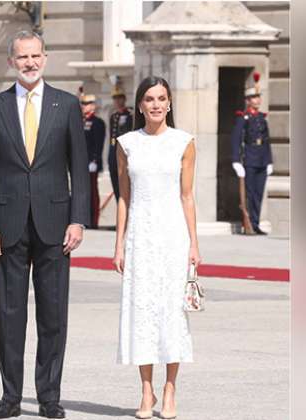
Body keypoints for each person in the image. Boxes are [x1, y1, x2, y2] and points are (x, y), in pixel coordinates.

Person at [0, 30, 90, 420]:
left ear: (45, 57)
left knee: (53, 315)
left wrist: (78, 219)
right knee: (9, 315)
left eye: (35, 56)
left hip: (56, 225)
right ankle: (10, 397)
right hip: (6, 228)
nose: (30, 63)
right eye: (22, 57)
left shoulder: (67, 105)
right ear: (12, 61)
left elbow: (79, 168)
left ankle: (49, 397)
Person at [112, 76, 201, 420]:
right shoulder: (126, 143)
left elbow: (187, 195)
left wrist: (194, 243)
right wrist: (119, 244)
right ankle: (146, 390)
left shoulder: (184, 142)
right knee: (142, 313)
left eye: (162, 98)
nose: (156, 104)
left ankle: (170, 389)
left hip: (173, 235)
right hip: (140, 236)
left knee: (171, 312)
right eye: (149, 99)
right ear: (139, 105)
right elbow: (124, 197)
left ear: (170, 103)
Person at [231, 72, 273, 235]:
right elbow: (236, 139)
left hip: (262, 159)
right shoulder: (244, 118)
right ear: (248, 101)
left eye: (258, 97)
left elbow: (267, 140)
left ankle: (255, 224)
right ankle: (247, 223)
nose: (258, 100)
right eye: (254, 97)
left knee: (259, 193)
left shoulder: (262, 118)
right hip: (249, 159)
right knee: (249, 194)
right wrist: (236, 161)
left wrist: (269, 161)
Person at [81, 93, 106, 228]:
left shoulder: (97, 122)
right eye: (83, 103)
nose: (84, 106)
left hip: (91, 163)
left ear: (93, 106)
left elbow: (98, 144)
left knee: (92, 192)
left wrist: (94, 160)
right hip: (81, 163)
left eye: (87, 104)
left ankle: (93, 221)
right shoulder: (80, 121)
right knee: (83, 193)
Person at [108, 85, 133, 203]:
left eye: (119, 98)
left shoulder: (129, 115)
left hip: (124, 151)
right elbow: (112, 136)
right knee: (115, 180)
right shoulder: (114, 116)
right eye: (115, 98)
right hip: (114, 151)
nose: (117, 101)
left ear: (124, 99)